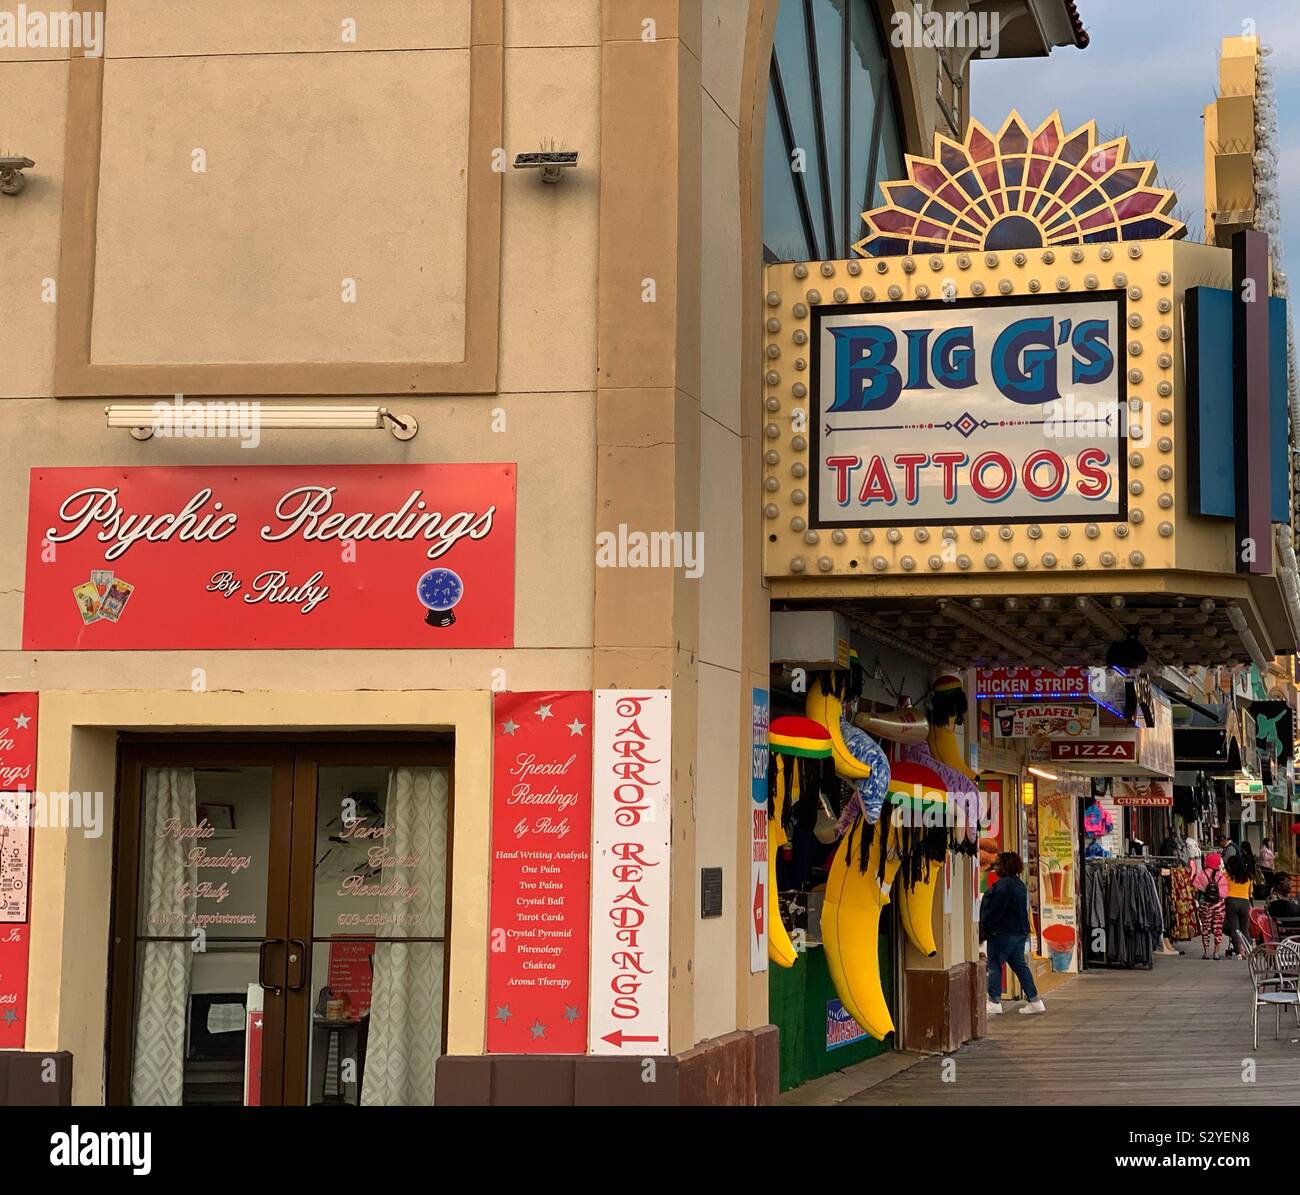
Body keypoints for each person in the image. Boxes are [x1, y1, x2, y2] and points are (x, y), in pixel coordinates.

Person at [979, 851, 1045, 1016]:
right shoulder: (1019, 884)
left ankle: (994, 1001)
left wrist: (985, 928)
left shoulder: (1003, 885)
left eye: (998, 864)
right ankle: (1035, 1000)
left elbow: (996, 910)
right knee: (1019, 966)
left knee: (994, 964)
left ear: (1005, 866)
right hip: (1019, 932)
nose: (996, 867)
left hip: (1002, 932)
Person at [1192, 851, 1228, 959]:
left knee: (1206, 927)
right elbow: (1224, 893)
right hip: (1219, 904)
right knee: (1218, 928)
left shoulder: (1202, 874)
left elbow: (1195, 887)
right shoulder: (1221, 876)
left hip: (1205, 904)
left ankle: (1206, 952)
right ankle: (1216, 953)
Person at [1222, 852, 1255, 957]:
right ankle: (1249, 949)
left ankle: (1239, 951)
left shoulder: (1227, 876)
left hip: (1231, 902)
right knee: (1245, 928)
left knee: (1235, 929)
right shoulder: (1249, 877)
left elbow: (1223, 889)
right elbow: (1251, 892)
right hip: (1245, 903)